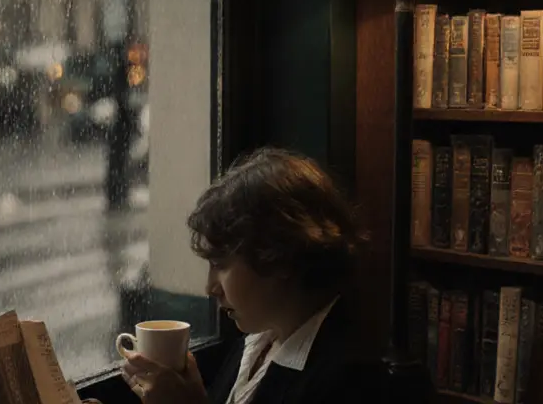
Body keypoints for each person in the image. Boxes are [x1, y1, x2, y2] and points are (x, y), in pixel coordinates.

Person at [120, 147, 382, 404]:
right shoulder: (260, 340)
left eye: (220, 264)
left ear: (280, 256)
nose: (210, 288)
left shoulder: (352, 378)